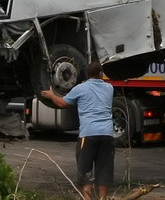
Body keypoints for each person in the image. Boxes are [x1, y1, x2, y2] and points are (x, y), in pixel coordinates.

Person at [41, 61, 114, 200]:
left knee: (85, 170)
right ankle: (103, 199)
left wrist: (51, 95)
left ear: (87, 74)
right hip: (107, 134)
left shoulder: (80, 89)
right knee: (104, 170)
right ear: (101, 74)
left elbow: (62, 103)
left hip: (88, 134)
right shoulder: (109, 88)